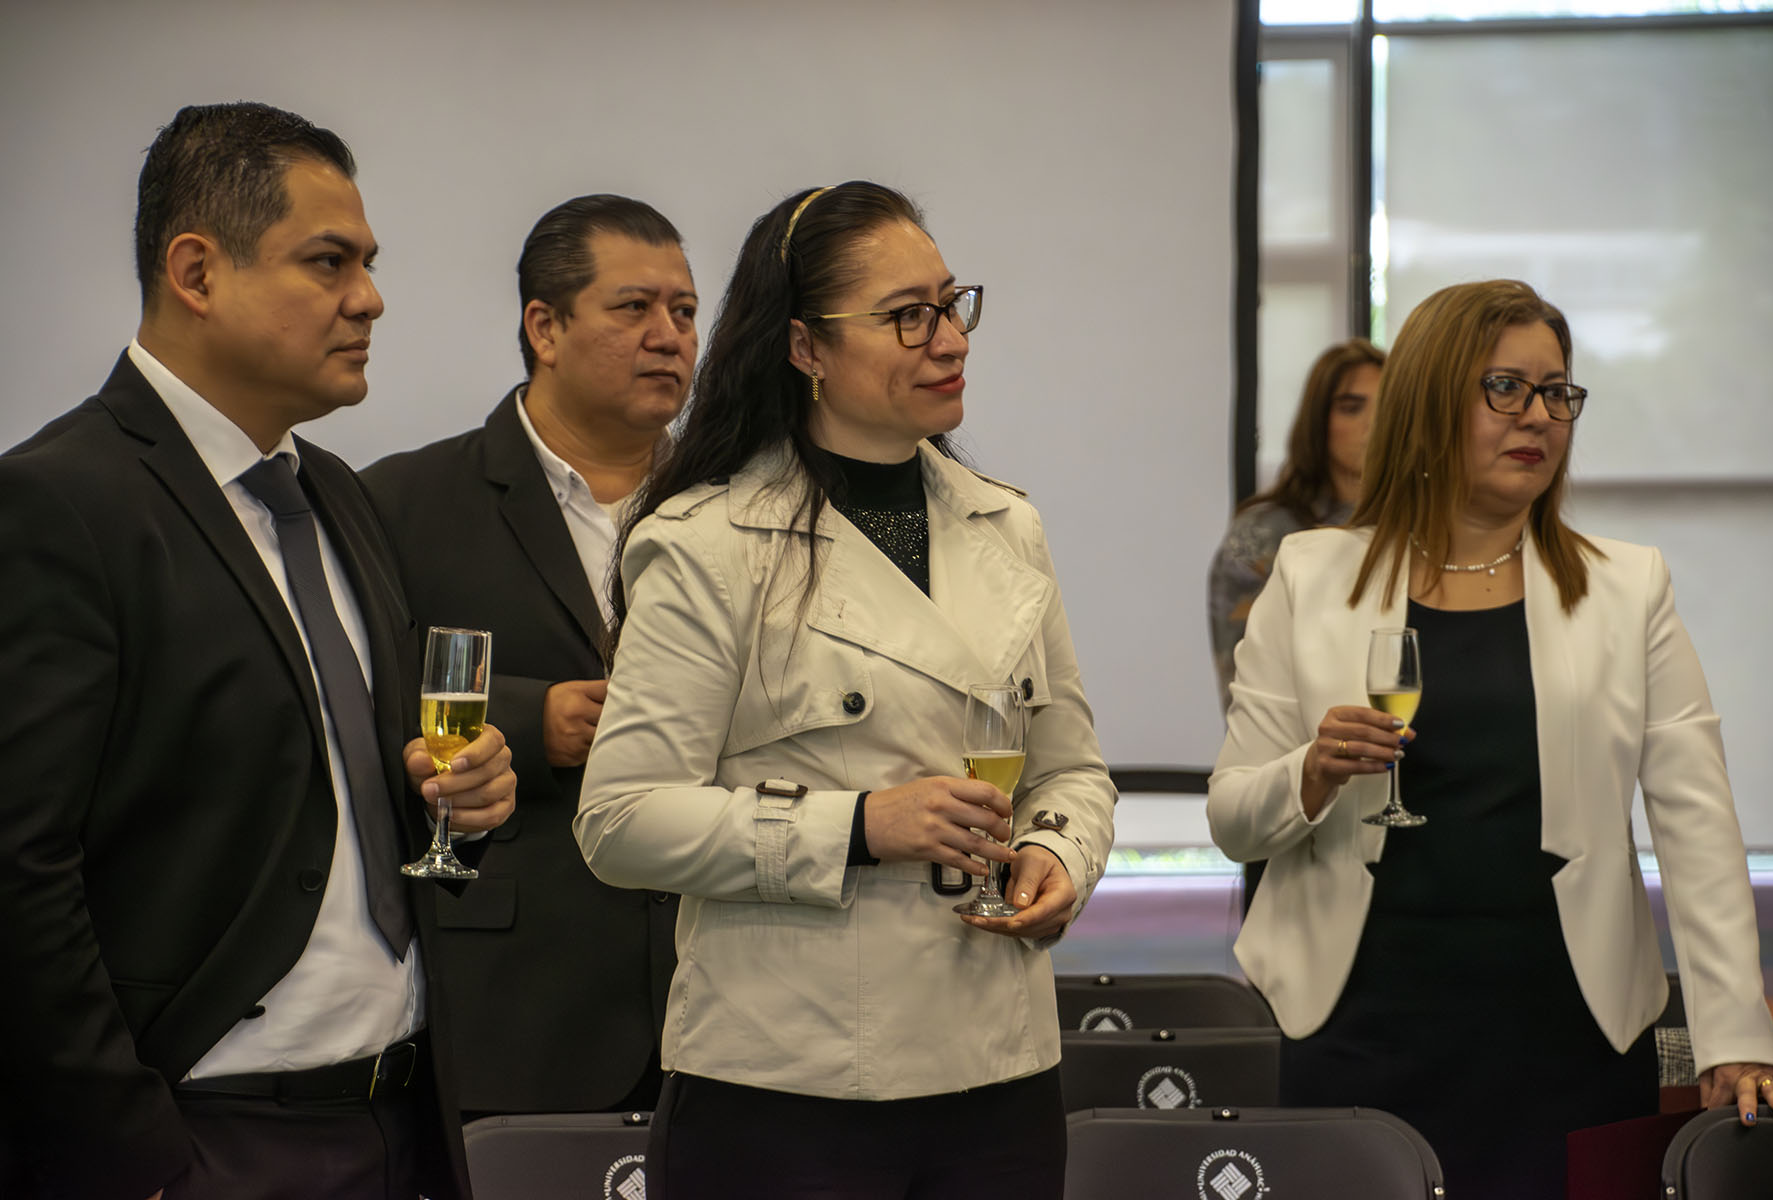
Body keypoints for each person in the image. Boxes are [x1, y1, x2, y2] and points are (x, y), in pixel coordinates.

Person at [0, 102, 517, 1200]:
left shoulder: (335, 495)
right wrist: (131, 1158)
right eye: (328, 261)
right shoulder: (58, 503)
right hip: (204, 1138)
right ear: (196, 271)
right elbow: (18, 870)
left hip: (404, 1123)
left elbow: (345, 795)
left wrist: (455, 800)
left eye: (369, 263)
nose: (370, 298)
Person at [573, 182, 1116, 1198]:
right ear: (806, 348)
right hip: (787, 1082)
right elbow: (621, 820)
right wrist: (860, 826)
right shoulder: (706, 544)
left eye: (952, 304)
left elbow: (1073, 769)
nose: (948, 338)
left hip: (999, 1067)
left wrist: (1055, 853)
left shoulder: (1006, 526)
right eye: (907, 316)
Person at [1207, 279, 1773, 1199]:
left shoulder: (1627, 586)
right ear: (1433, 401)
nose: (1541, 416)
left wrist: (1732, 1030)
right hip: (1358, 1023)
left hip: (1566, 1024)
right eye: (1506, 389)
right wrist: (1311, 773)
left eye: (1558, 391)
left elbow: (1697, 821)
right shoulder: (1311, 575)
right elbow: (1235, 819)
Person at [362, 195, 694, 1116]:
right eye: (634, 308)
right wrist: (525, 721)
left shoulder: (739, 506)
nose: (669, 336)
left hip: (727, 993)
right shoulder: (399, 501)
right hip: (520, 1000)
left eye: (686, 311)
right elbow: (355, 705)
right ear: (543, 328)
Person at [1208, 337, 1384, 710]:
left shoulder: (1432, 524)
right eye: (1351, 408)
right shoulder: (1263, 535)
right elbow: (1243, 687)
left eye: (1389, 408)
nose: (1373, 424)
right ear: (1318, 422)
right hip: (1300, 749)